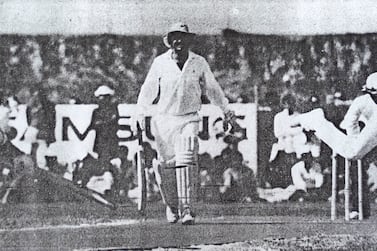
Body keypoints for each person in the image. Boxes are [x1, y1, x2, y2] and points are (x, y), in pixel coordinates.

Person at [133, 22, 234, 225]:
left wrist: (225, 109)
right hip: (164, 120)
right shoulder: (160, 63)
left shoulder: (199, 62)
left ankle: (187, 209)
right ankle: (171, 206)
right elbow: (148, 91)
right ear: (169, 41)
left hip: (189, 117)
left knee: (187, 154)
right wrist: (139, 114)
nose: (178, 40)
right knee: (166, 166)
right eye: (174, 37)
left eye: (182, 37)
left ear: (189, 40)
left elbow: (212, 89)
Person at [292, 72, 377, 218]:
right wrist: (354, 139)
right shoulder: (363, 101)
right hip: (365, 133)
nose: (373, 98)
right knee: (353, 156)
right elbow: (349, 122)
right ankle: (318, 121)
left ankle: (319, 121)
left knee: (353, 153)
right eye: (372, 94)